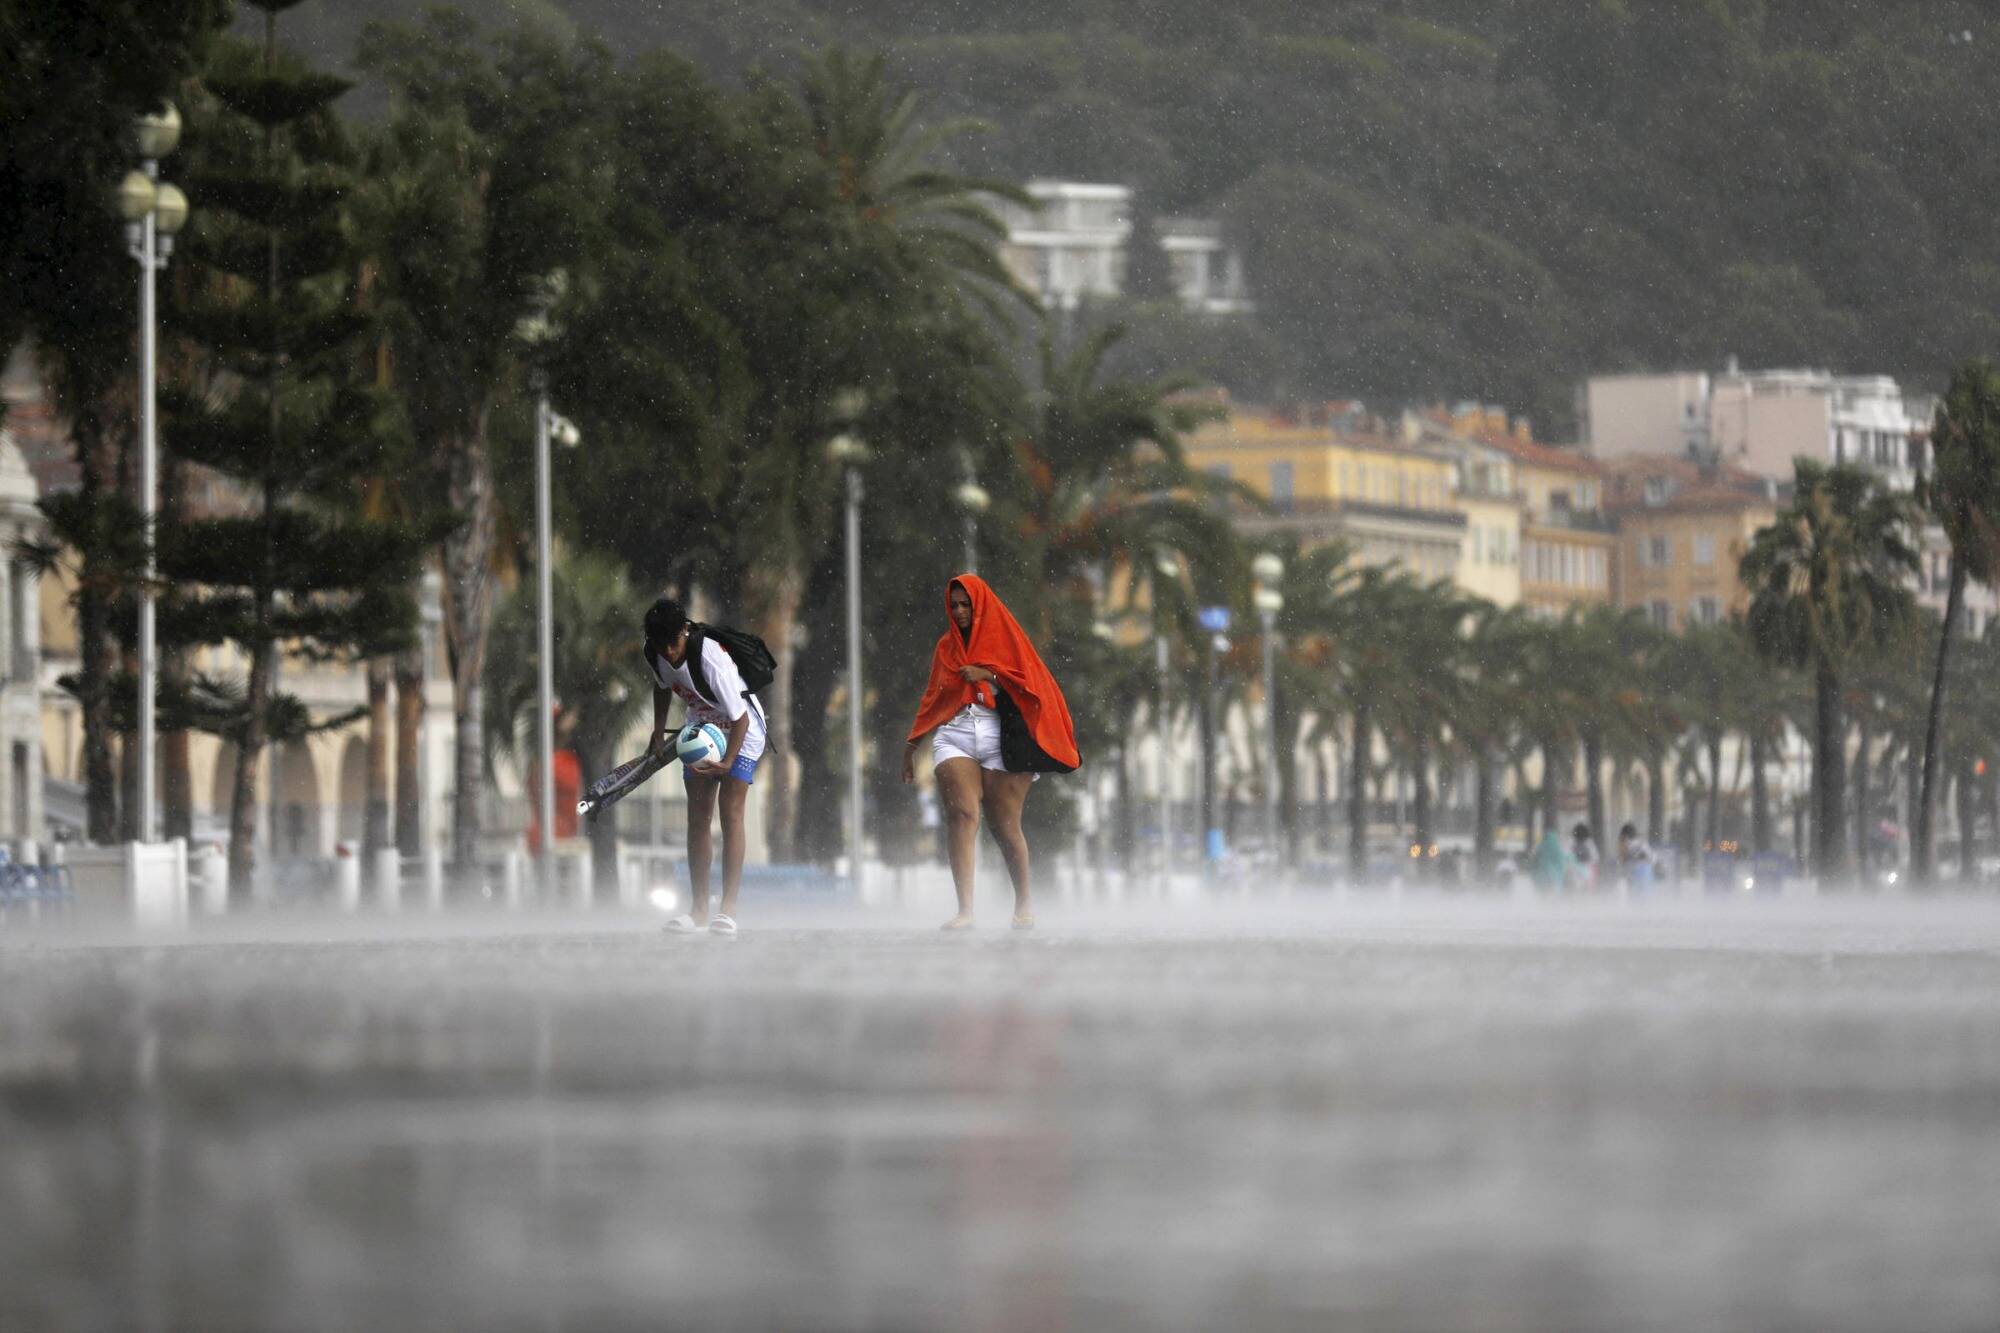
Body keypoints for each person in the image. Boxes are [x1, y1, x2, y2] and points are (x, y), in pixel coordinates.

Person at [903, 575, 1080, 930]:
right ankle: (965, 910)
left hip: (1002, 736)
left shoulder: (1006, 638)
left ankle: (1024, 903)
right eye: (953, 605)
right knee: (963, 816)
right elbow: (934, 696)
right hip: (955, 734)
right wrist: (913, 743)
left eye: (965, 604)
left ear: (980, 604)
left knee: (1005, 827)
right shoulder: (946, 647)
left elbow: (1032, 685)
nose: (959, 611)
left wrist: (990, 675)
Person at [643, 596, 768, 936]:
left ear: (684, 631)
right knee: (698, 817)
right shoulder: (656, 652)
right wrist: (657, 729)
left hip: (743, 729)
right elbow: (662, 685)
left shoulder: (710, 657)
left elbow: (740, 718)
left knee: (731, 813)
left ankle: (727, 909)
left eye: (673, 643)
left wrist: (728, 762)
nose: (669, 652)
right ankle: (698, 910)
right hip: (700, 729)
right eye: (661, 645)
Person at [1530, 827, 1574, 894]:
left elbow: (1534, 863)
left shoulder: (1540, 847)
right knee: (1553, 895)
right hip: (1554, 878)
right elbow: (1561, 863)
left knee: (1543, 895)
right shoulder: (1558, 848)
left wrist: (1534, 874)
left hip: (1541, 878)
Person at [1617, 822, 1655, 892]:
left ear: (1625, 835)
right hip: (1646, 874)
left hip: (1633, 875)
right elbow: (1651, 858)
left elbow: (1621, 860)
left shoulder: (1626, 844)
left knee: (1634, 896)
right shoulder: (1642, 843)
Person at [1571, 821, 1600, 890]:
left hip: (1576, 872)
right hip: (1588, 871)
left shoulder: (1573, 844)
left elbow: (1570, 858)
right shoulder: (1590, 843)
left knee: (1578, 890)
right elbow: (1595, 859)